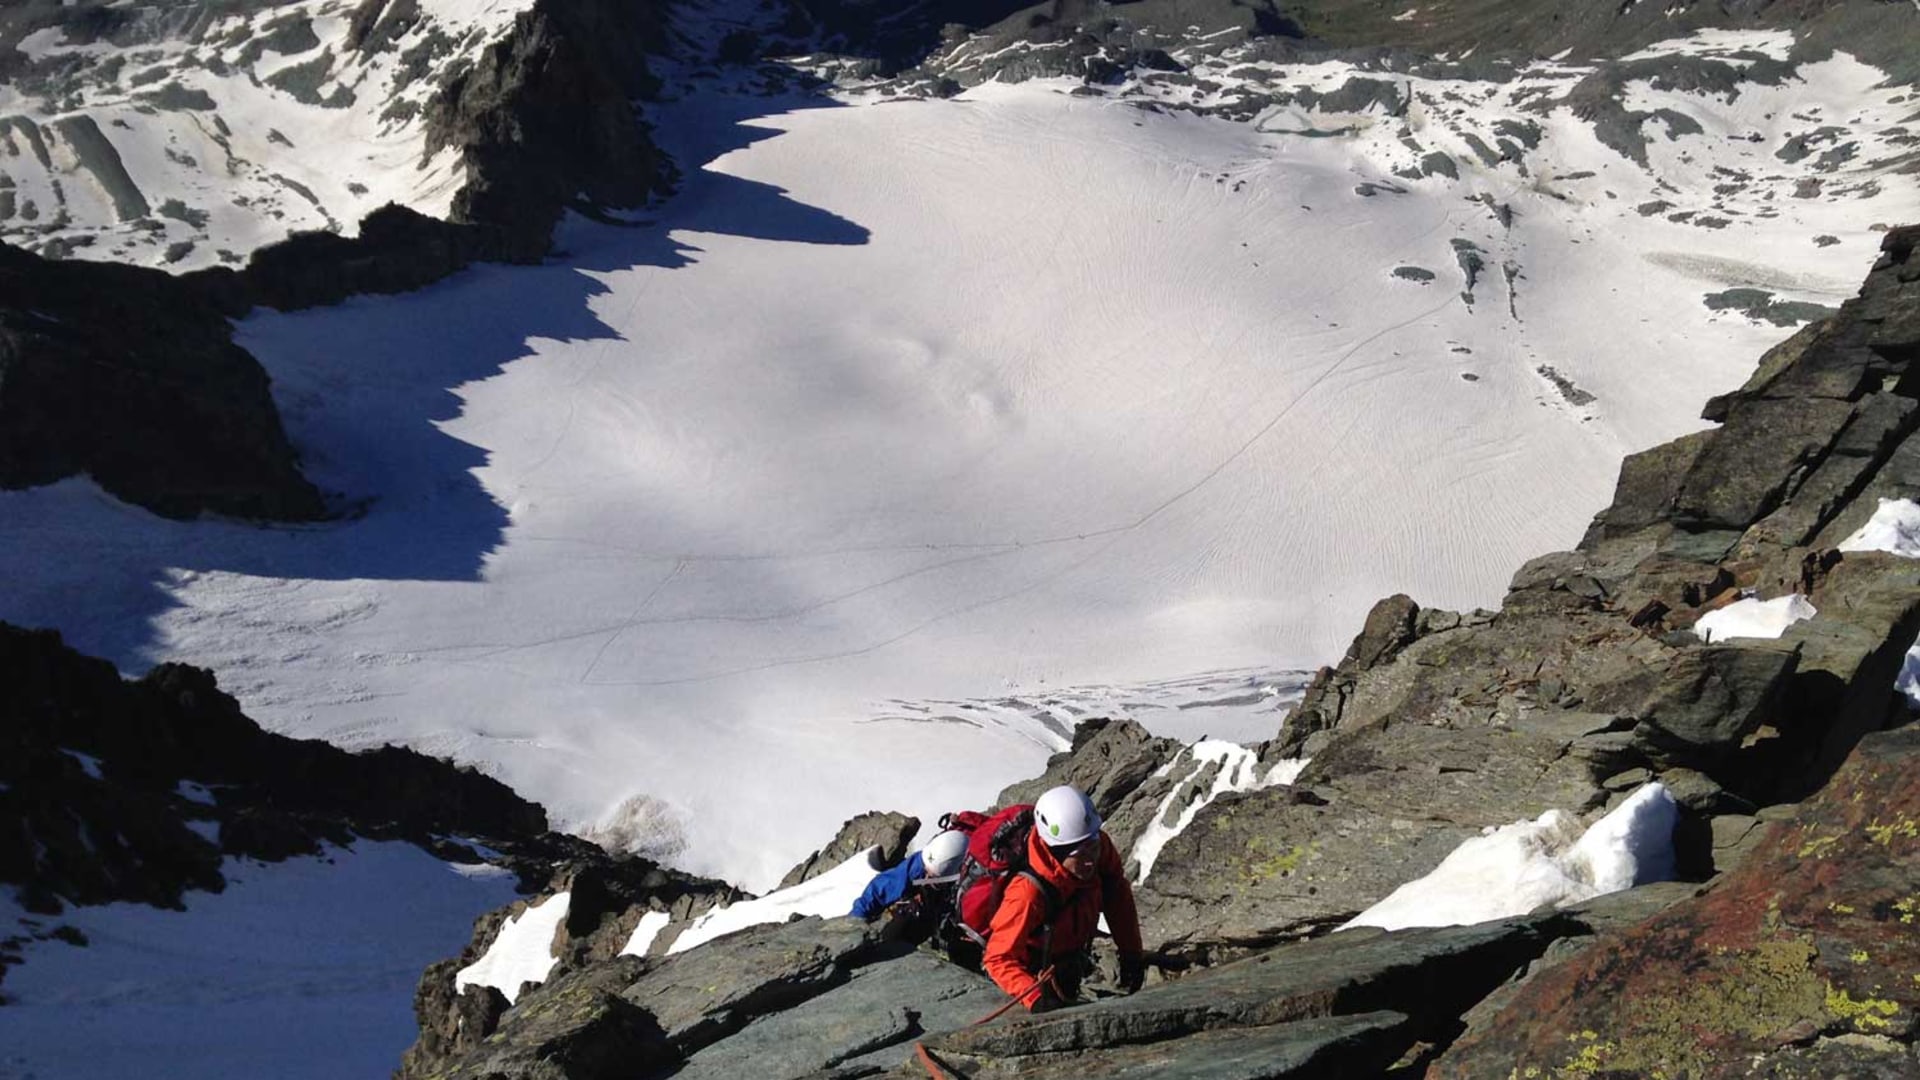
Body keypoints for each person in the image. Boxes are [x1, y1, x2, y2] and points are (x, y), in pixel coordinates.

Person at [981, 784, 1146, 1011]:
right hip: (1036, 973)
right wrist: (1035, 998)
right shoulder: (1027, 894)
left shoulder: (1099, 846)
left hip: (1068, 961)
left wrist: (1131, 952)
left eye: (1093, 848)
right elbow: (998, 958)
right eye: (1080, 855)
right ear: (1057, 852)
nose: (1090, 860)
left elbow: (1117, 895)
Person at [850, 828, 969, 943]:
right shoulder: (914, 870)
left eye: (933, 877)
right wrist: (853, 927)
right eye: (928, 873)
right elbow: (876, 893)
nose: (928, 877)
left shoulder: (943, 869)